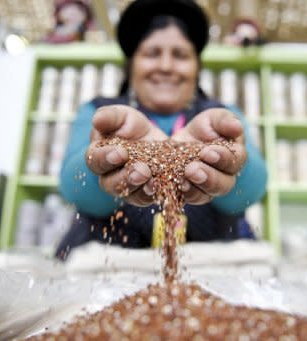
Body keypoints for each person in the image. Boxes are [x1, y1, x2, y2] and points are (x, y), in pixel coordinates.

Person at [56, 0, 267, 260]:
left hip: (210, 272)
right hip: (107, 271)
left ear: (196, 67)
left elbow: (251, 193)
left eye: (180, 55)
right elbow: (74, 189)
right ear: (132, 65)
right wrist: (107, 156)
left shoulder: (222, 117)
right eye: (152, 54)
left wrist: (230, 159)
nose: (166, 66)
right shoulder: (101, 114)